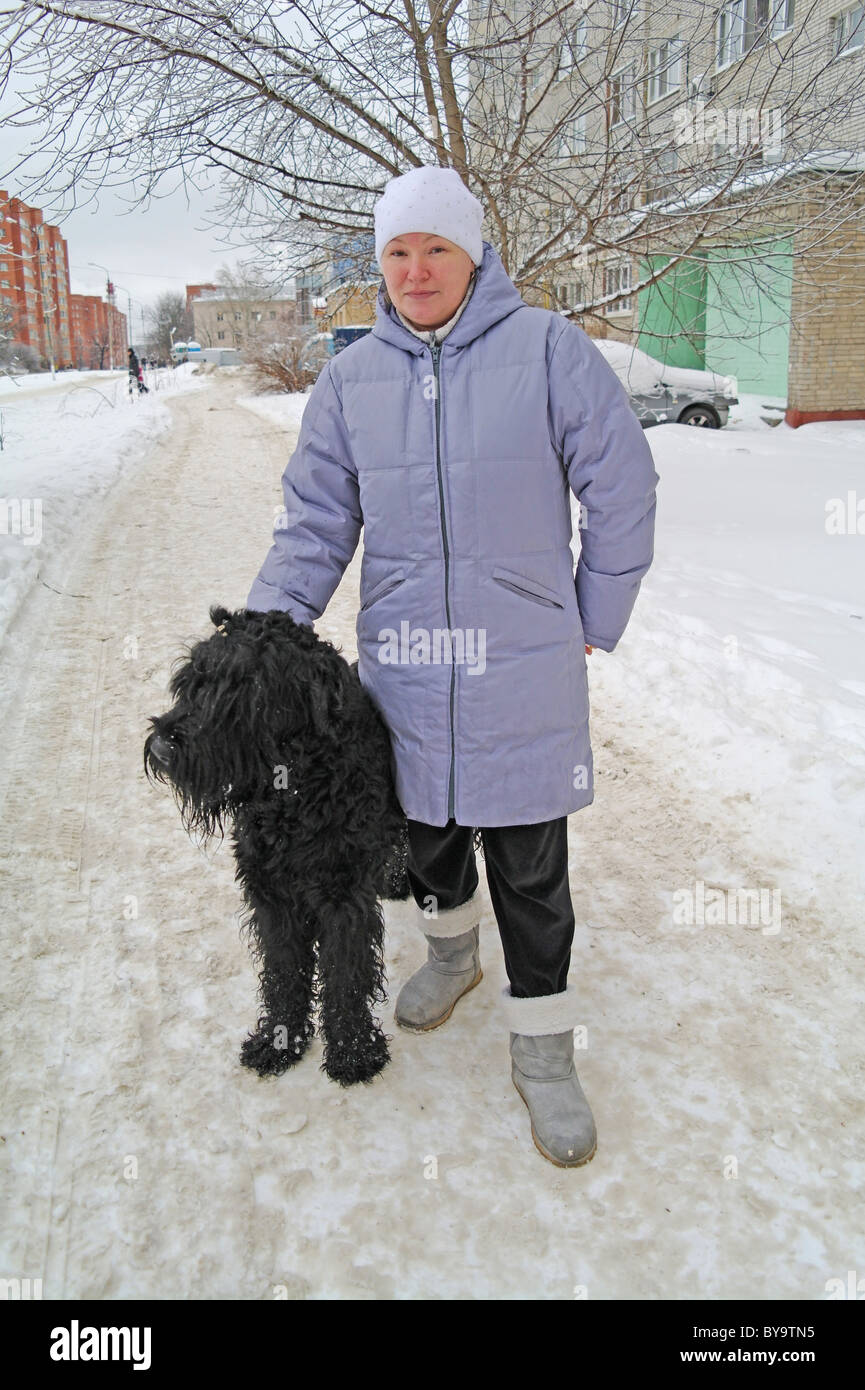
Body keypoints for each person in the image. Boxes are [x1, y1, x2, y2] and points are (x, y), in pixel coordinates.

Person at [247, 165, 659, 1166]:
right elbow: (313, 523)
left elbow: (624, 484)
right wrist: (263, 634)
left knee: (528, 864)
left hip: (522, 662)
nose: (416, 270)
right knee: (424, 841)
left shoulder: (550, 351)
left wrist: (591, 613)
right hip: (406, 668)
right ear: (378, 263)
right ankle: (451, 955)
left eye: (436, 248)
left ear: (474, 253)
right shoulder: (350, 382)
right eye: (397, 251)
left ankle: (546, 1049)